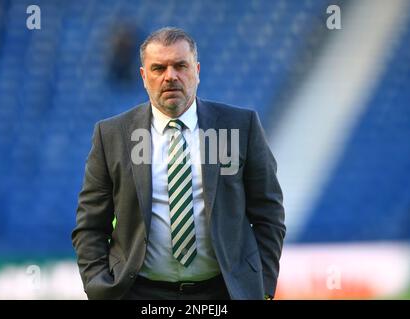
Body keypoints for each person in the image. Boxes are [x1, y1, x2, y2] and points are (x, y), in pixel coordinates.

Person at [72, 27, 286, 300]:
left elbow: (269, 215)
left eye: (180, 66)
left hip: (221, 293)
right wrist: (100, 288)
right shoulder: (111, 135)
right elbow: (90, 226)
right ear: (143, 76)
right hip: (139, 294)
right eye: (159, 68)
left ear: (196, 70)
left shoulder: (240, 127)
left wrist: (262, 287)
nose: (170, 76)